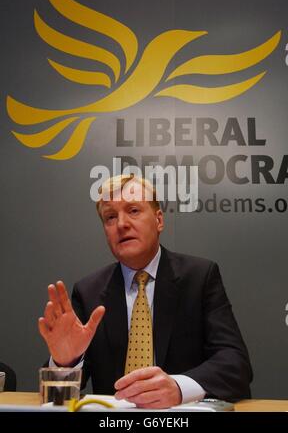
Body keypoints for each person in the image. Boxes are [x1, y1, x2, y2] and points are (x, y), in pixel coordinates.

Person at [39, 175, 252, 409]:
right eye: (111, 217)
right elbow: (55, 398)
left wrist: (179, 388)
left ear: (159, 220)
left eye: (133, 211)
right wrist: (65, 362)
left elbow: (235, 364)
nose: (121, 224)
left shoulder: (199, 277)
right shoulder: (89, 291)